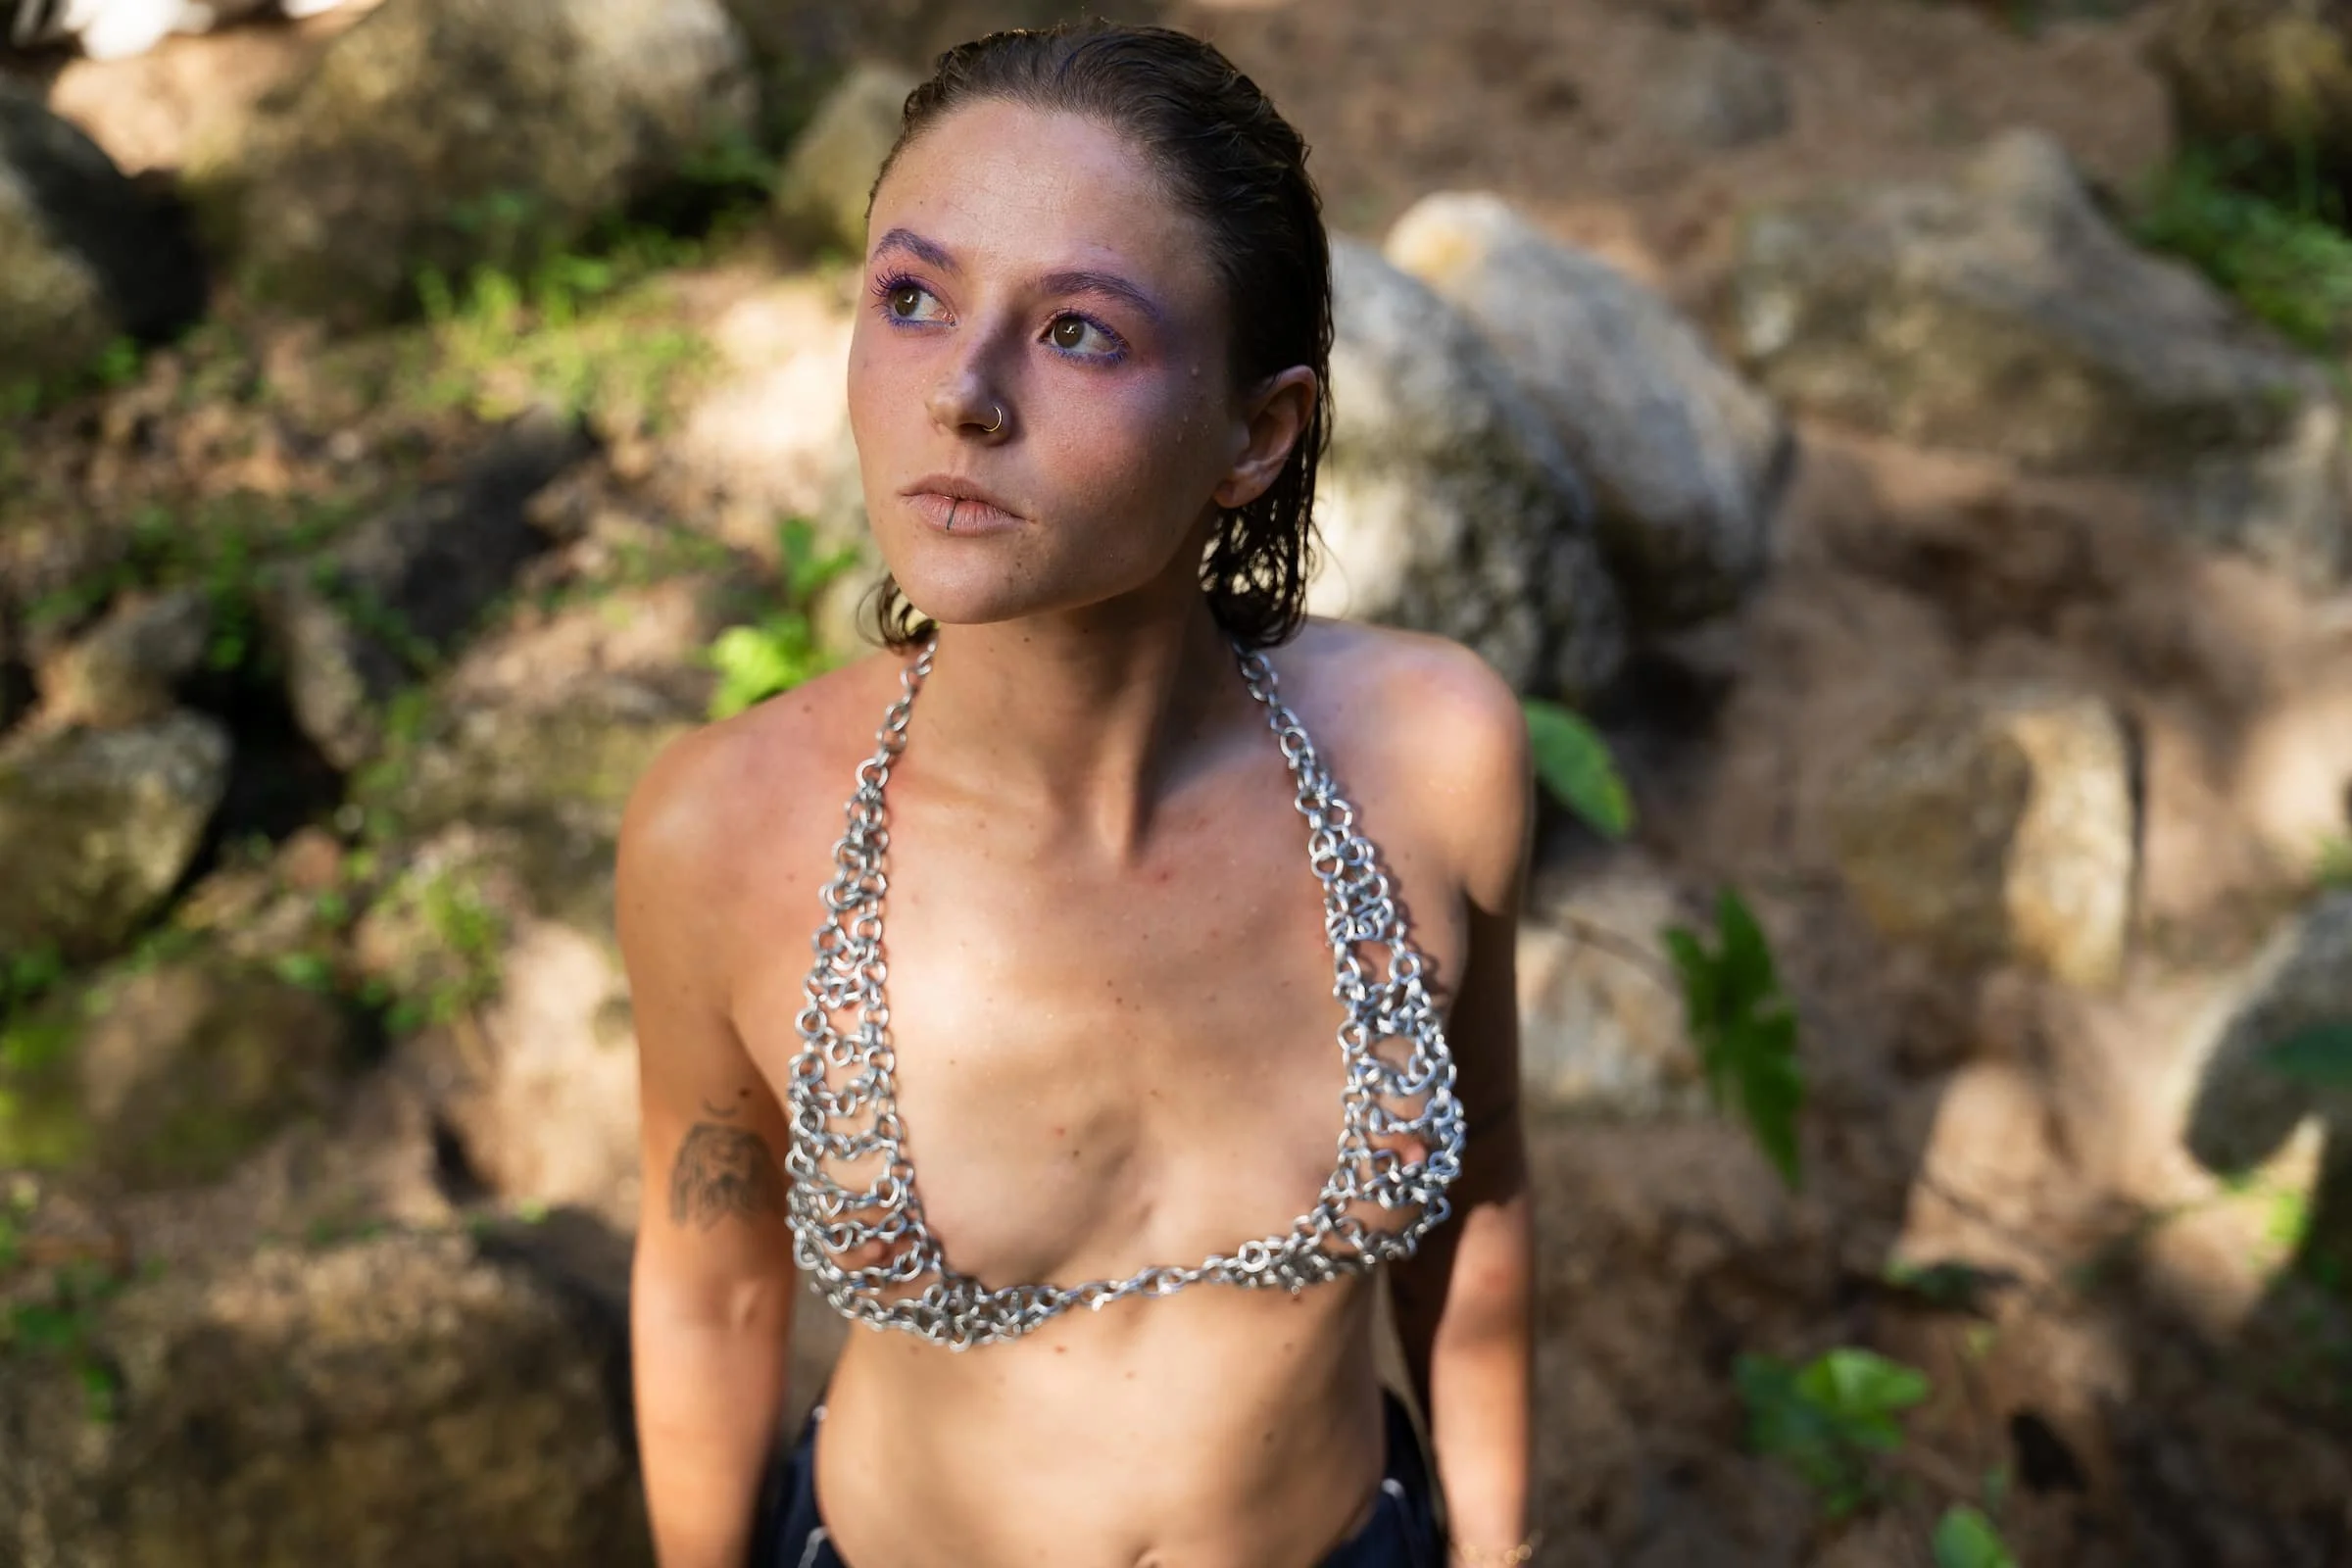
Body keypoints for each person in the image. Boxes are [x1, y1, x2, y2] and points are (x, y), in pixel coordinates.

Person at [617, 22, 1536, 1568]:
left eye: (1079, 333)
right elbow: (710, 1290)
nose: (962, 395)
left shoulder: (1432, 759)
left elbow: (1483, 1193)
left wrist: (1501, 1552)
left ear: (1256, 435)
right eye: (913, 299)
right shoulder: (725, 832)